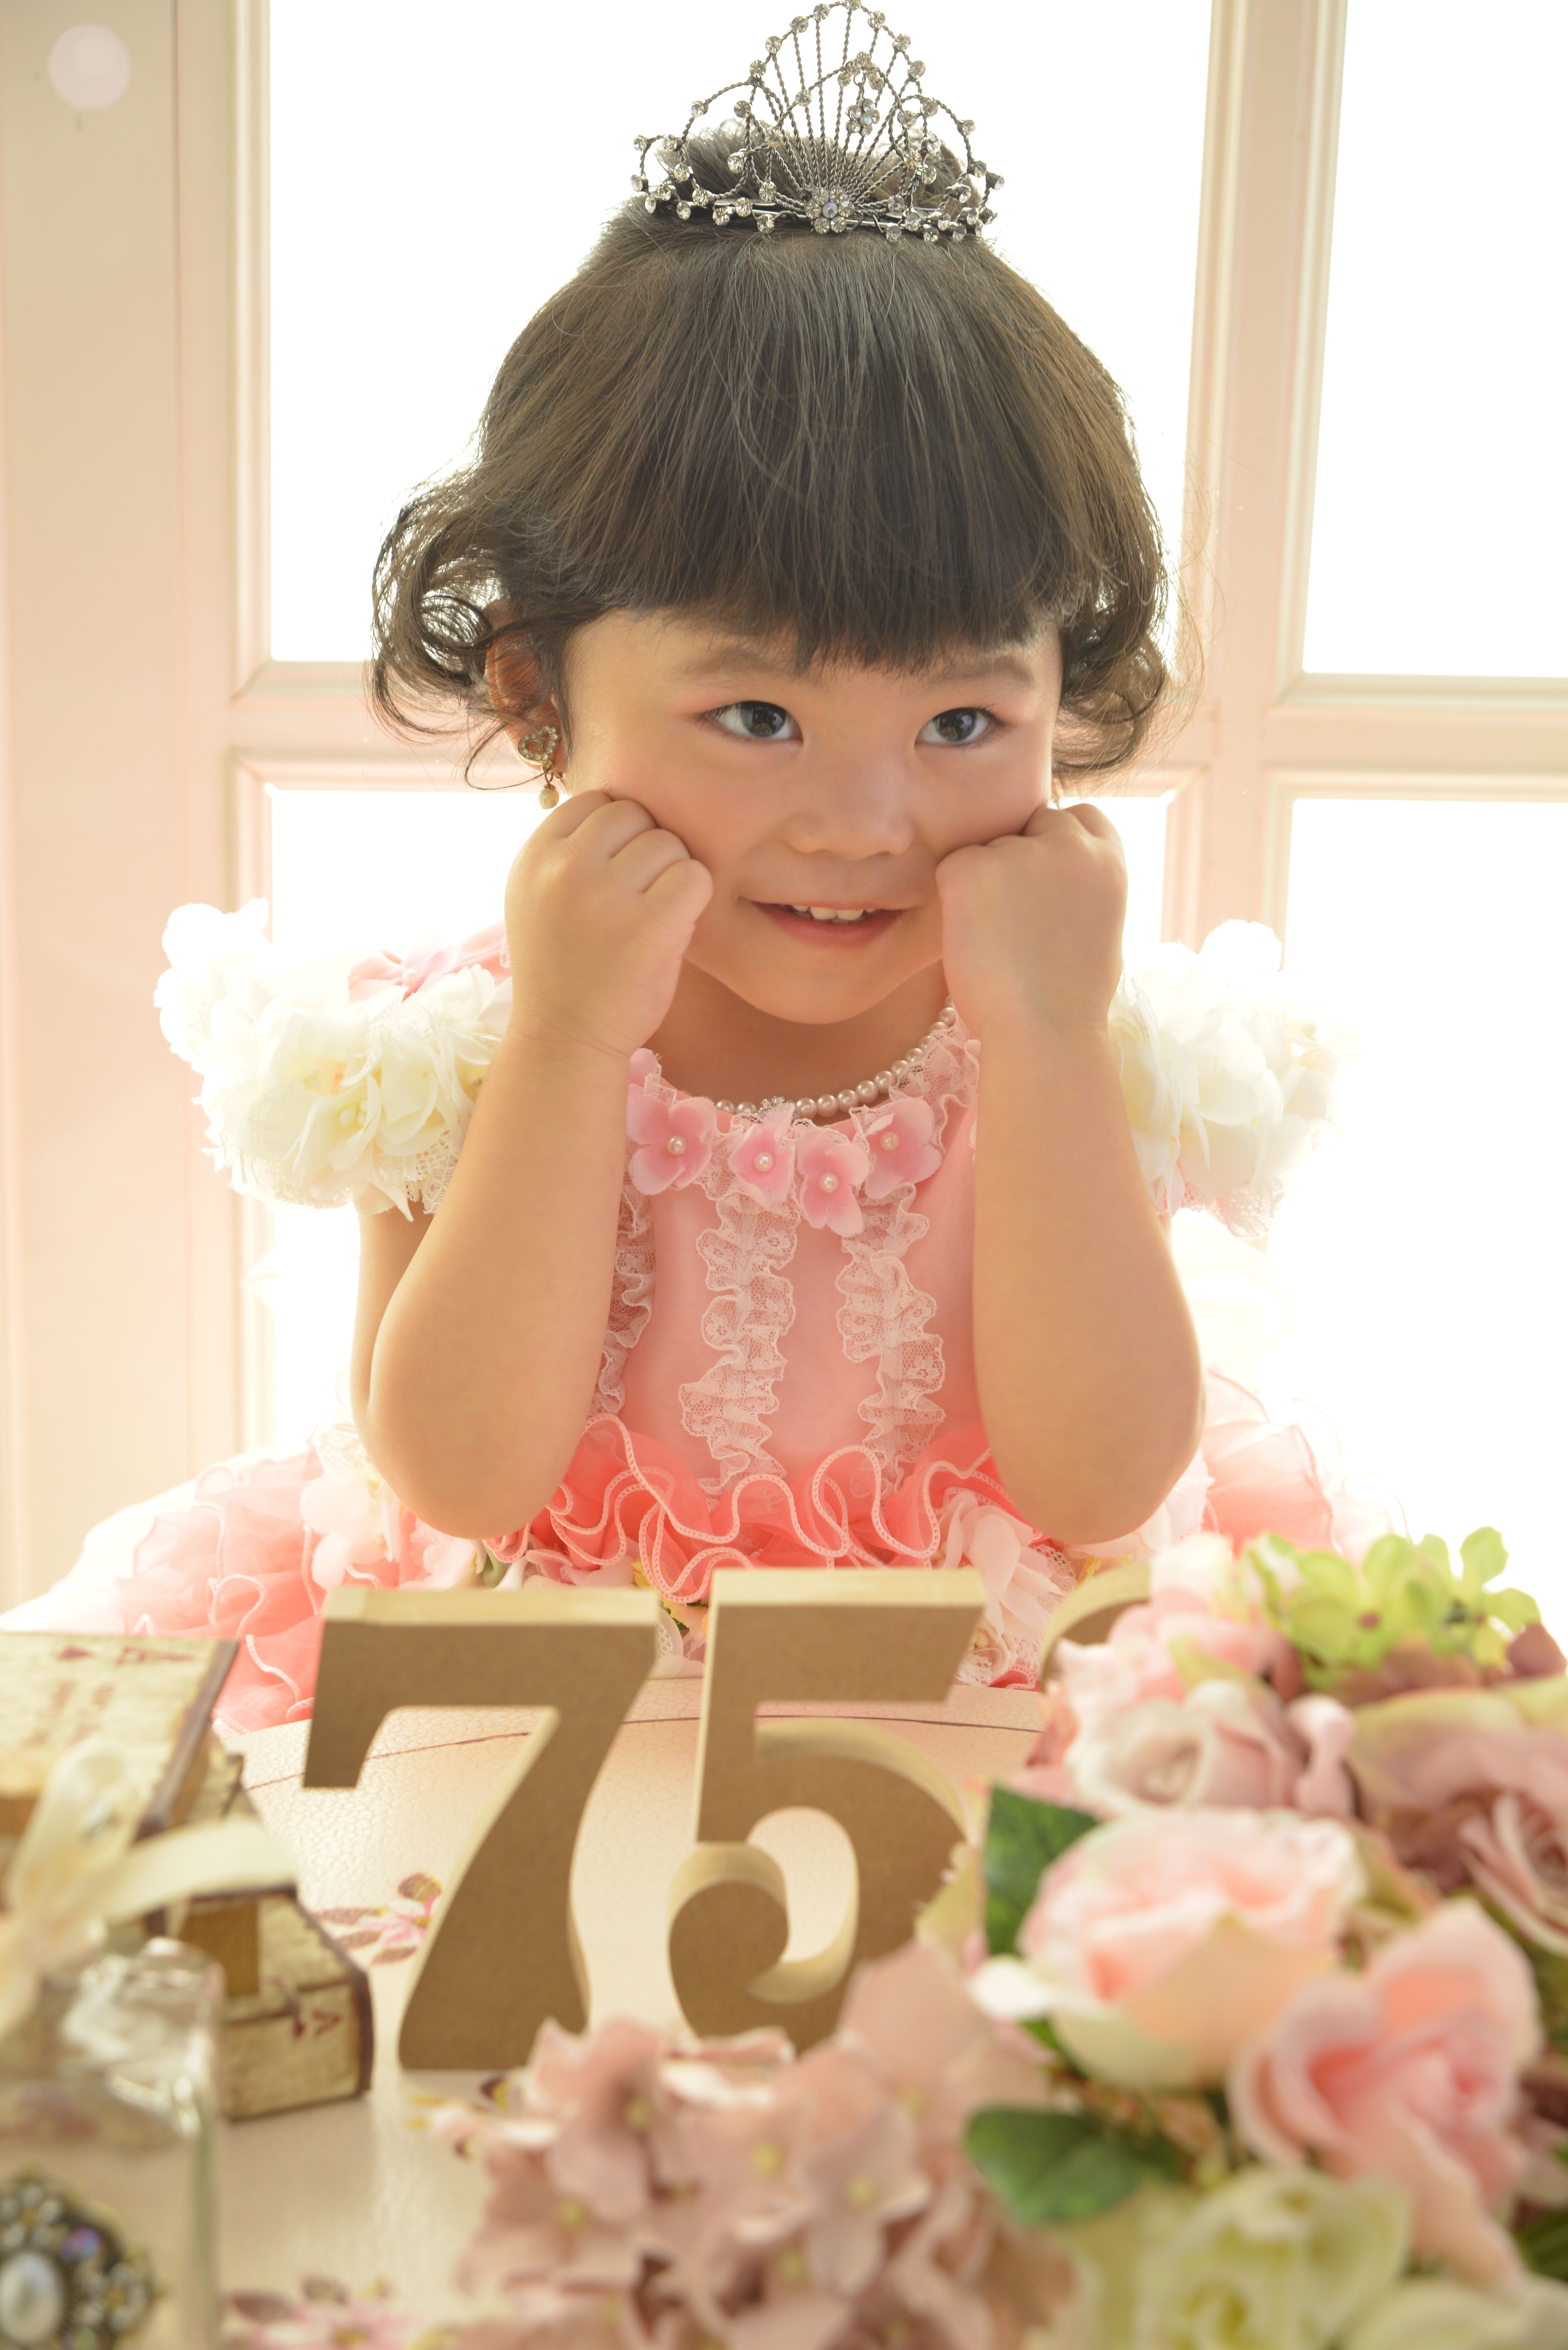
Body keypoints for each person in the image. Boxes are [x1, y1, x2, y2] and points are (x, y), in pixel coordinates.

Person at [11, 4, 1357, 1732]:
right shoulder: (458, 1046)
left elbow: (1100, 1483)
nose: (860, 824)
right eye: (756, 716)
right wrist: (570, 1041)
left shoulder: (1068, 1026)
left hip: (970, 1732)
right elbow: (466, 1475)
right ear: (536, 691)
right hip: (546, 1741)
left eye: (961, 721)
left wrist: (1045, 1042)